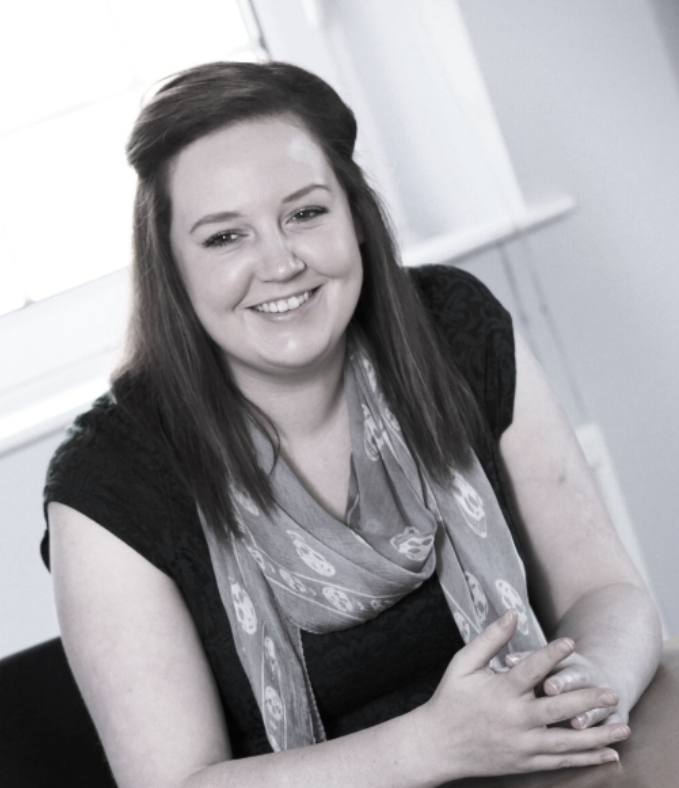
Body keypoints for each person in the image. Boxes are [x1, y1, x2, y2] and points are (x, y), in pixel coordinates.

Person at [44, 61, 662, 788]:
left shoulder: (455, 329)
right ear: (171, 269)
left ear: (356, 216)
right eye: (225, 237)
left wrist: (588, 691)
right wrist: (431, 748)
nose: (280, 263)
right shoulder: (107, 481)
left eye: (306, 213)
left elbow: (606, 592)